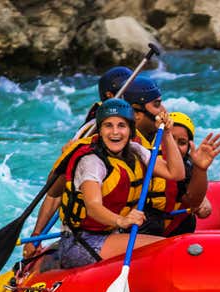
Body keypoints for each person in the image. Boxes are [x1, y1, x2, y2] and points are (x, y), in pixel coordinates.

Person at [55, 98, 184, 269]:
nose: (115, 132)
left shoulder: (136, 150)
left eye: (121, 125)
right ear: (99, 131)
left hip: (110, 234)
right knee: (165, 248)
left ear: (131, 130)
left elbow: (176, 173)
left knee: (167, 248)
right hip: (81, 242)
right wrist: (122, 221)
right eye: (108, 125)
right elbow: (93, 206)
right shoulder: (92, 162)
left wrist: (167, 134)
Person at [23, 65, 134, 258]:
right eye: (129, 92)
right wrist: (37, 235)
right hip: (91, 235)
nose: (134, 99)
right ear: (110, 96)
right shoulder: (89, 135)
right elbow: (55, 192)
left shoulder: (138, 134)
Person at [122, 75, 186, 235]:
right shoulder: (124, 143)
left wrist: (167, 133)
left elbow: (178, 174)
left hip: (153, 218)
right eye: (157, 104)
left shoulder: (153, 137)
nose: (164, 111)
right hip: (128, 223)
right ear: (136, 113)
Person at [164, 112, 220, 236]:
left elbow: (202, 209)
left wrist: (200, 169)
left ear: (188, 147)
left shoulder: (188, 169)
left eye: (182, 142)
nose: (174, 146)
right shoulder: (146, 161)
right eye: (170, 138)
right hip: (148, 234)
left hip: (177, 236)